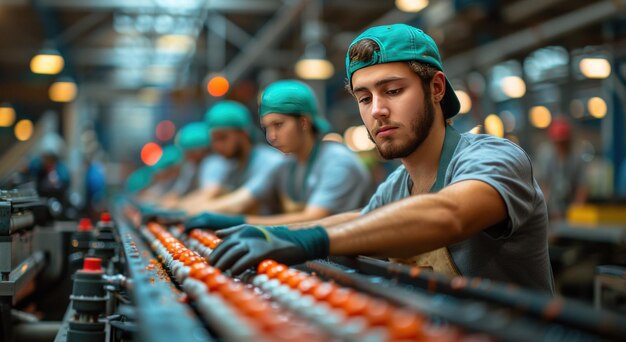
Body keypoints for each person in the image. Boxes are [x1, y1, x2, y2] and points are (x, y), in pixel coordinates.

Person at [208, 24, 554, 293]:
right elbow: (361, 220)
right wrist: (271, 234)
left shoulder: (494, 157)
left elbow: (449, 214)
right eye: (364, 98)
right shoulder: (397, 185)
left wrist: (307, 241)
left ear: (436, 88)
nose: (378, 111)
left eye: (392, 91)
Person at [183, 80, 372, 230]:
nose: (271, 136)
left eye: (278, 125)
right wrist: (188, 213)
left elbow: (313, 219)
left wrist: (241, 223)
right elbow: (241, 200)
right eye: (267, 127)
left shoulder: (337, 162)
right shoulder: (286, 165)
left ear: (304, 122)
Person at [178, 100, 286, 216]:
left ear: (243, 134)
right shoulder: (232, 167)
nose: (217, 146)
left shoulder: (269, 161)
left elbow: (238, 205)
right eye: (214, 140)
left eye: (222, 138)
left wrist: (191, 210)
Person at [535, 118, 588, 219]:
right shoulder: (546, 155)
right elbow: (542, 185)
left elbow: (582, 186)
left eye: (564, 142)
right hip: (550, 208)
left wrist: (577, 208)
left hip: (571, 207)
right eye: (558, 142)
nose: (561, 145)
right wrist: (544, 209)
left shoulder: (577, 157)